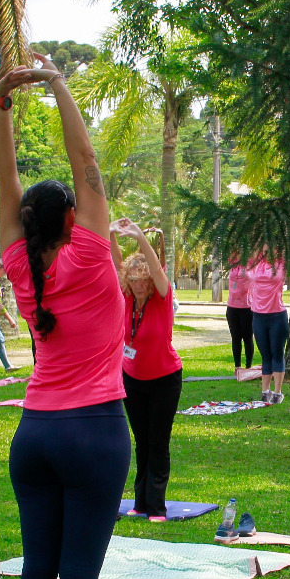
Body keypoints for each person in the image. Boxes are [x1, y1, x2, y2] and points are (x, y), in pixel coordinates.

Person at [0, 53, 130, 579]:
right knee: (78, 574)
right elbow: (88, 162)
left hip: (34, 434)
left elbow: (7, 182)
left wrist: (1, 108)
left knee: (38, 570)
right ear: (74, 214)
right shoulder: (89, 252)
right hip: (95, 431)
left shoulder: (19, 260)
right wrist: (58, 86)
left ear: (25, 221)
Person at [112, 217, 182, 522]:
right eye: (134, 280)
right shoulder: (127, 299)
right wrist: (110, 233)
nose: (140, 285)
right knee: (141, 441)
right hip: (132, 379)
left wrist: (140, 237)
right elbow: (114, 263)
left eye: (144, 280)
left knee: (158, 441)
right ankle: (140, 501)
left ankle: (157, 506)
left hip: (165, 379)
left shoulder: (162, 299)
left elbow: (156, 267)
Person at [247, 250, 288, 403]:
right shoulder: (255, 261)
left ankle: (277, 393)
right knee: (265, 356)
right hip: (258, 316)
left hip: (277, 315)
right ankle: (265, 391)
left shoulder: (282, 262)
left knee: (277, 354)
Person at [224, 258, 255, 373]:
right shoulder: (233, 262)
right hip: (232, 307)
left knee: (247, 338)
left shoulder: (252, 264)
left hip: (247, 307)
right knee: (235, 339)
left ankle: (248, 366)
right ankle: (237, 367)